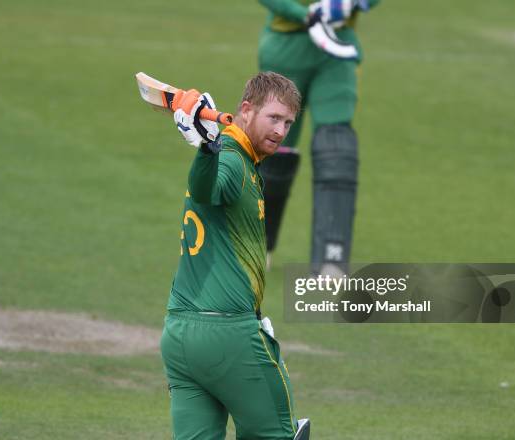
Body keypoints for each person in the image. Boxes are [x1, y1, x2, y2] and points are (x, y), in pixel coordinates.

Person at [160, 72, 311, 440]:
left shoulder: (239, 158)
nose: (281, 130)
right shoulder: (231, 160)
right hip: (228, 334)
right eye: (273, 118)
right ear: (246, 110)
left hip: (180, 336)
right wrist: (207, 150)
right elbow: (206, 188)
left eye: (288, 123)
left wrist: (209, 148)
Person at [257, 0, 382, 273]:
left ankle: (331, 257)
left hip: (335, 49)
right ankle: (256, 246)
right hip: (285, 47)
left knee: (336, 145)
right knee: (273, 147)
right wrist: (306, 15)